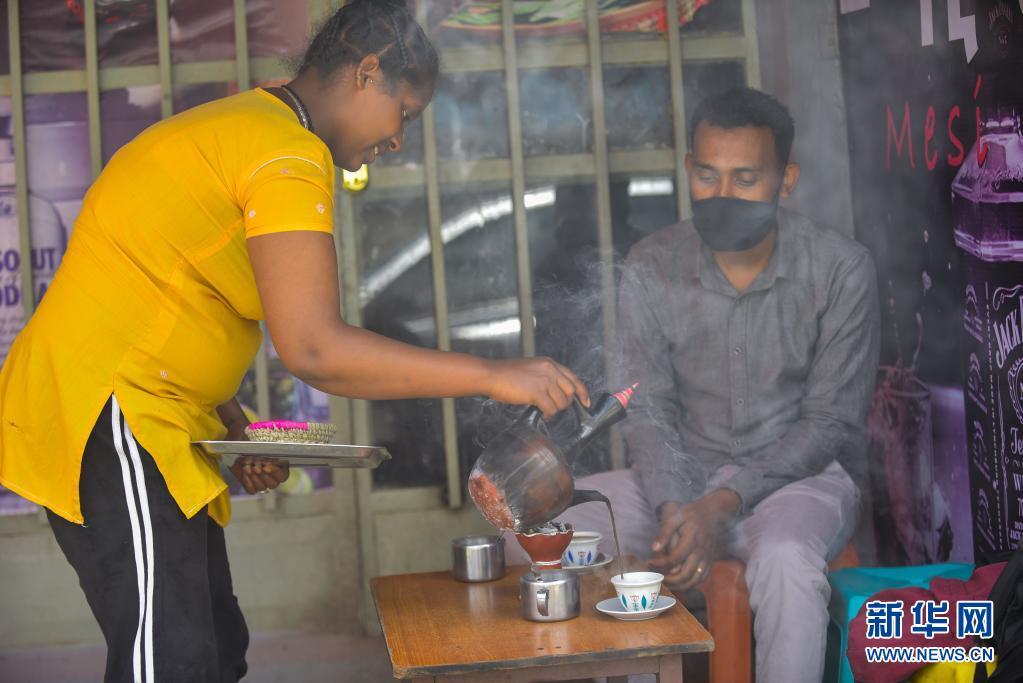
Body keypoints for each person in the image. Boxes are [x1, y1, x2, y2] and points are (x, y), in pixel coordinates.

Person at [0, 2, 589, 681]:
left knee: (216, 648)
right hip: (109, 411)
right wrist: (491, 374)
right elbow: (314, 350)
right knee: (169, 662)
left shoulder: (255, 127)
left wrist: (233, 425)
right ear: (366, 72)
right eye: (404, 112)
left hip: (144, 408)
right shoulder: (286, 150)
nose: (400, 140)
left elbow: (166, 283)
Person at [507, 87, 879, 683]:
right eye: (707, 176)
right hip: (680, 478)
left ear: (785, 180)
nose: (722, 194)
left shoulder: (840, 269)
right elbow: (646, 407)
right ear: (688, 170)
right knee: (539, 532)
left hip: (797, 484)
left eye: (745, 179)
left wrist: (719, 505)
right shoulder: (653, 263)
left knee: (787, 563)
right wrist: (675, 508)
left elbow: (828, 423)